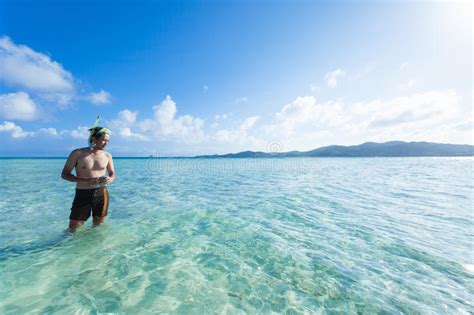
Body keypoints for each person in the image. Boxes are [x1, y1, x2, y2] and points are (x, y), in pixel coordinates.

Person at [61, 118, 115, 232]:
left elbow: (112, 173)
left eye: (108, 141)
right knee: (73, 228)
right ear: (94, 139)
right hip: (83, 193)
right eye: (104, 140)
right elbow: (65, 174)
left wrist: (110, 179)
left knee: (98, 227)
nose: (106, 143)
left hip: (102, 194)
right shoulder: (78, 153)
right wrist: (85, 180)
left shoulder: (107, 156)